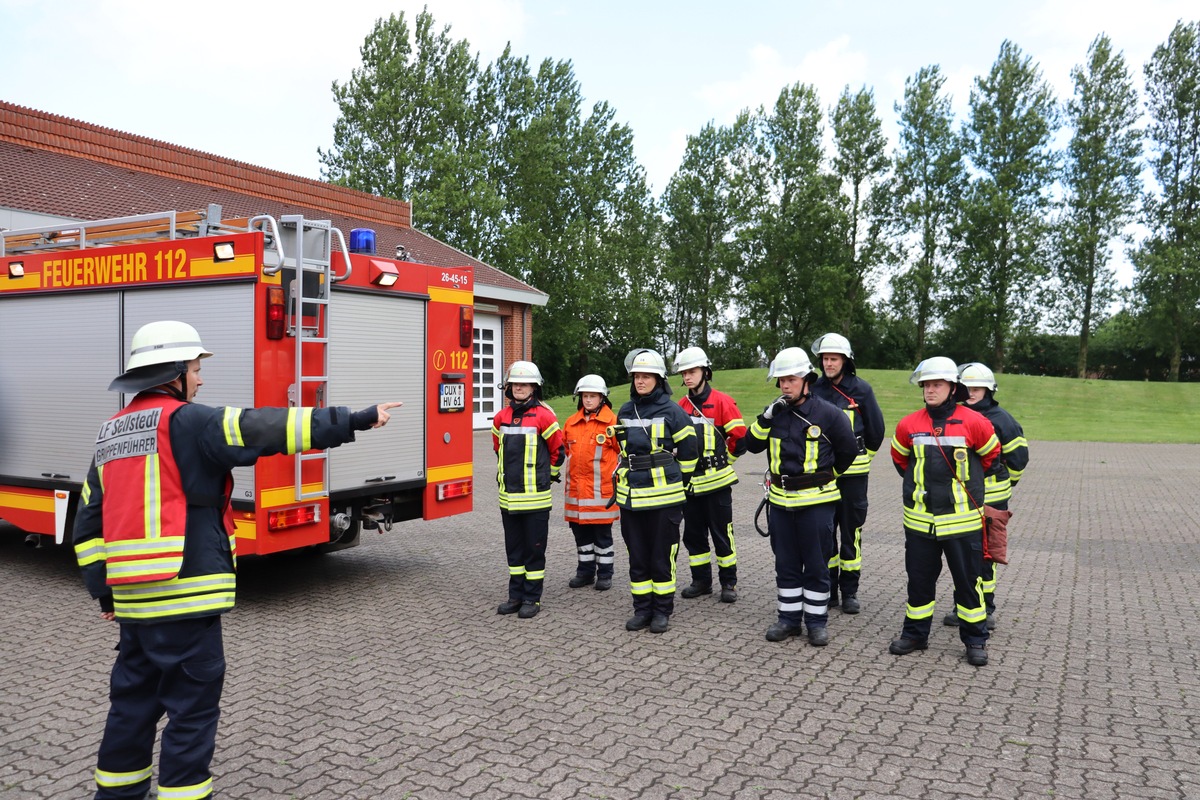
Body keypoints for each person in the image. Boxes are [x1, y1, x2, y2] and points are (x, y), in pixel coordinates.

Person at [72, 320, 401, 800]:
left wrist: (104, 589)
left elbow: (88, 521)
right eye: (196, 368)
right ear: (173, 372)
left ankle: (117, 794)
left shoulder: (111, 434)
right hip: (186, 597)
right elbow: (266, 427)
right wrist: (355, 418)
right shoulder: (188, 422)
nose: (201, 379)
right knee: (191, 712)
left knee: (131, 706)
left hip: (133, 603)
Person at [889, 356, 1000, 667]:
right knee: (919, 582)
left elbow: (992, 458)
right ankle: (915, 635)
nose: (929, 390)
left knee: (969, 583)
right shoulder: (908, 424)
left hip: (962, 523)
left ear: (953, 388)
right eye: (926, 384)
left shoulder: (975, 422)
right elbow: (900, 461)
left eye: (936, 384)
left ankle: (975, 640)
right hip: (920, 522)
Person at [744, 347, 858, 647]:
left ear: (807, 379)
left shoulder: (829, 414)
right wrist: (765, 418)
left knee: (817, 564)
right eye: (781, 380)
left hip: (816, 504)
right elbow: (750, 445)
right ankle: (789, 619)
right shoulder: (775, 413)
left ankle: (817, 622)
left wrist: (825, 477)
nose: (784, 385)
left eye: (791, 379)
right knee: (786, 563)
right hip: (780, 503)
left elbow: (847, 453)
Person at [612, 349, 698, 634]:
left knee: (662, 557)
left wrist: (677, 481)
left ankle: (662, 611)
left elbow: (689, 452)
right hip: (631, 499)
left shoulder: (673, 411)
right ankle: (642, 609)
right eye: (637, 376)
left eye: (646, 376)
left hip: (665, 500)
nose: (640, 381)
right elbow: (621, 450)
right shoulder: (625, 410)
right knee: (637, 556)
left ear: (659, 379)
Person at [942, 362, 1029, 630]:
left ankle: (985, 606)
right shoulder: (954, 416)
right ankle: (964, 605)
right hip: (961, 499)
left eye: (977, 388)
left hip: (991, 499)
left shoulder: (1002, 420)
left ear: (988, 390)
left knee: (986, 554)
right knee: (963, 554)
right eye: (967, 387)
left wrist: (1004, 483)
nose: (971, 392)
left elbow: (1018, 459)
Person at [810, 333, 885, 615]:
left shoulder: (861, 390)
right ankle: (828, 590)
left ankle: (850, 591)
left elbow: (876, 432)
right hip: (826, 476)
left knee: (850, 534)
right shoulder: (814, 389)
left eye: (834, 358)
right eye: (825, 359)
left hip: (854, 478)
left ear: (846, 361)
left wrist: (862, 459)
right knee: (825, 534)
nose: (829, 363)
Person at [673, 346, 747, 604]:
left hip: (717, 483)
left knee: (722, 534)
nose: (688, 377)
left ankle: (729, 583)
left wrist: (725, 461)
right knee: (693, 535)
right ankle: (701, 581)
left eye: (692, 371)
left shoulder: (723, 401)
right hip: (691, 484)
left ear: (705, 371)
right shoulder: (680, 406)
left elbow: (740, 438)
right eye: (684, 373)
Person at [492, 360, 565, 619]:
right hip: (508, 498)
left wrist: (548, 477)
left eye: (525, 384)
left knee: (534, 549)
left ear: (534, 387)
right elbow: (497, 449)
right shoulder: (501, 417)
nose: (519, 387)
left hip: (535, 498)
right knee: (514, 549)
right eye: (515, 384)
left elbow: (559, 452)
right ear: (508, 387)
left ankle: (532, 599)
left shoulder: (545, 416)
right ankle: (515, 596)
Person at [563, 374, 621, 591]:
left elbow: (621, 453)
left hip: (601, 494)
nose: (588, 400)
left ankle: (605, 574)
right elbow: (566, 452)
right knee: (581, 536)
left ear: (602, 398)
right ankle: (585, 572)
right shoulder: (571, 423)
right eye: (585, 396)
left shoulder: (613, 423)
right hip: (577, 494)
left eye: (593, 396)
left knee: (602, 537)